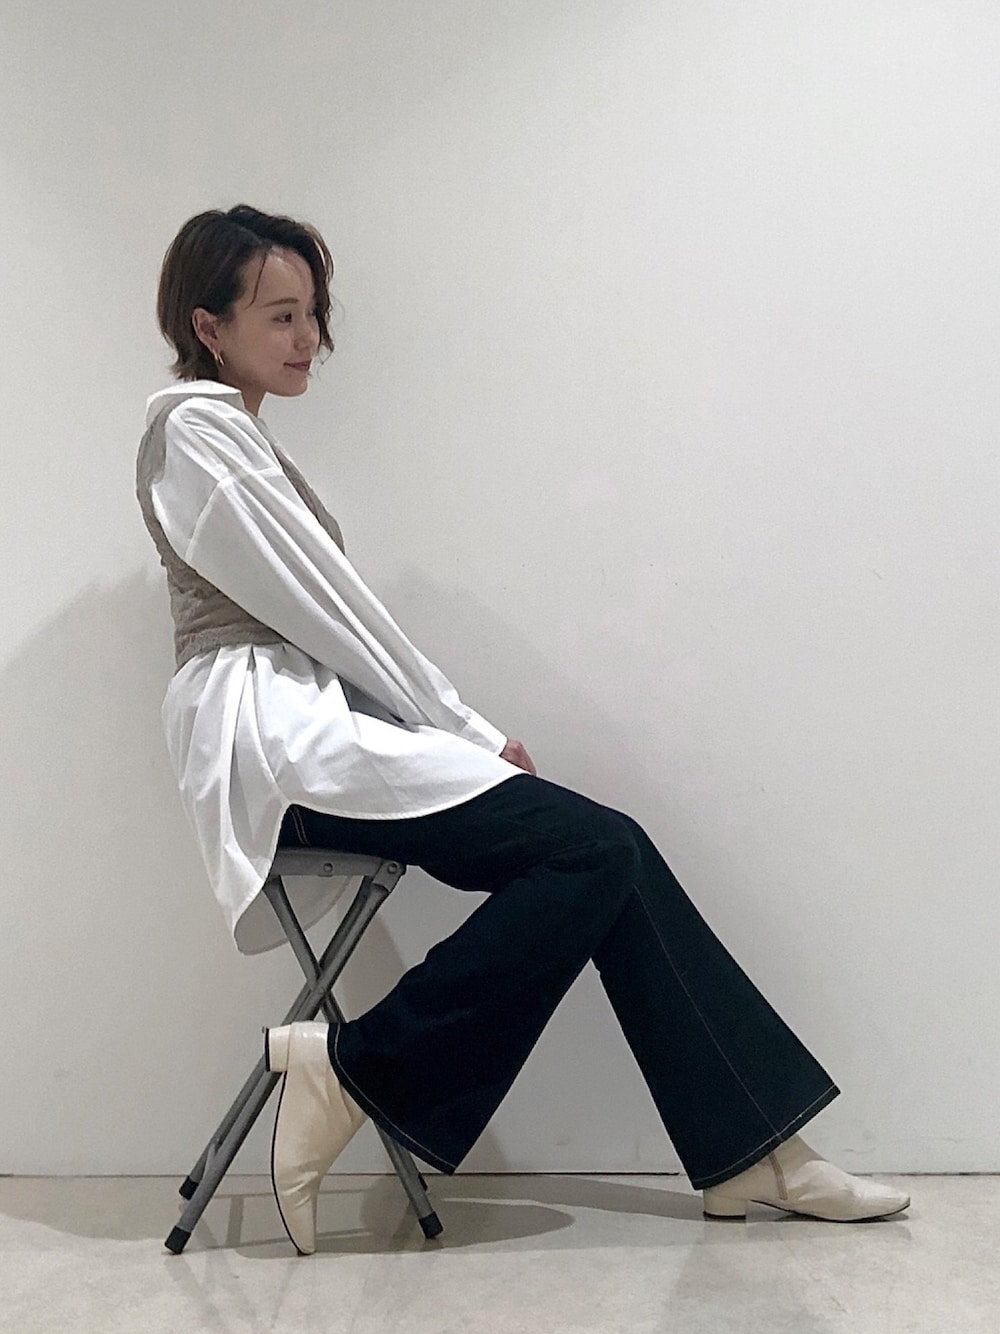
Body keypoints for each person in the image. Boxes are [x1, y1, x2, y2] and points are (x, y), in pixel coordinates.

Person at [137, 203, 911, 1256]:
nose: (307, 335)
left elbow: (326, 618)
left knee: (605, 853)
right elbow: (336, 612)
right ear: (208, 325)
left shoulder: (231, 433)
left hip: (302, 727)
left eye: (312, 311)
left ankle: (747, 1150)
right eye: (279, 315)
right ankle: (362, 1067)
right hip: (271, 744)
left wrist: (447, 728)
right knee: (593, 848)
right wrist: (461, 727)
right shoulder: (197, 431)